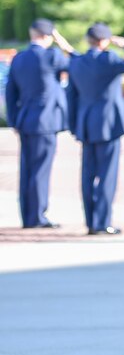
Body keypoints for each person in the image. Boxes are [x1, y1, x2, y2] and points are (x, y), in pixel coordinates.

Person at [67, 23, 124, 235]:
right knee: (107, 175)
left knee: (87, 176)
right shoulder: (109, 59)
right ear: (105, 41)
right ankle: (103, 222)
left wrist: (74, 126)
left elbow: (71, 98)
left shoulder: (76, 63)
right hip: (108, 125)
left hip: (85, 124)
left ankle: (91, 222)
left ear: (88, 40)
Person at [4, 19, 75, 228]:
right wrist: (64, 45)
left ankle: (28, 216)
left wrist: (14, 120)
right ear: (49, 36)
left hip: (25, 120)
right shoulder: (52, 55)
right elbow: (78, 63)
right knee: (40, 170)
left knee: (27, 170)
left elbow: (10, 93)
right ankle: (37, 217)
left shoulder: (19, 58)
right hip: (45, 122)